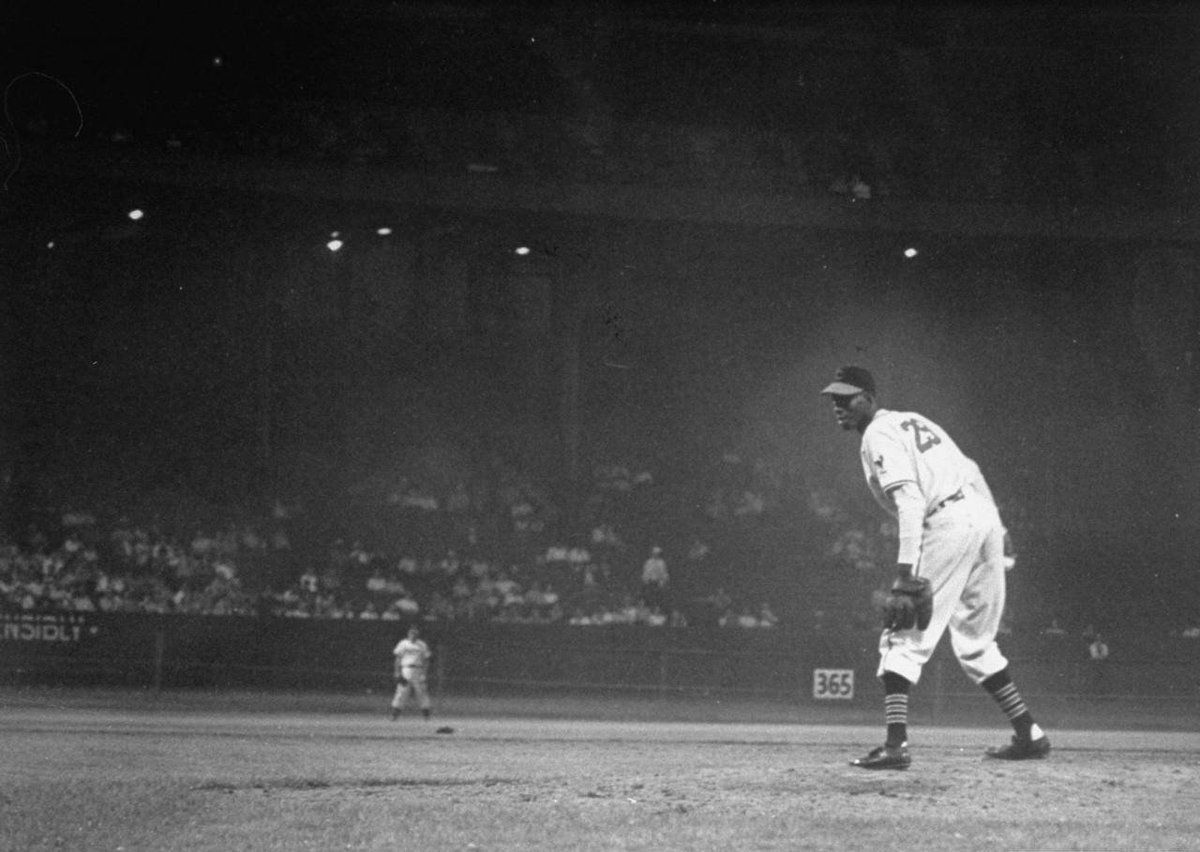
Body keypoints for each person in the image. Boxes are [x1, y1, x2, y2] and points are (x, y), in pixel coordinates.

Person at [821, 365, 1049, 769]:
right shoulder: (915, 421)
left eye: (848, 397)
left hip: (948, 522)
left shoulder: (878, 433)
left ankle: (895, 746)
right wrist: (999, 526)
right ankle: (1029, 733)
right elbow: (972, 468)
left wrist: (905, 573)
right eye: (835, 398)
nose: (839, 405)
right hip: (979, 515)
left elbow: (910, 502)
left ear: (870, 399)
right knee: (976, 641)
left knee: (901, 636)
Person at [390, 625, 433, 720]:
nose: (413, 635)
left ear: (418, 634)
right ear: (408, 634)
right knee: (401, 692)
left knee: (421, 692)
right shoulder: (403, 644)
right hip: (406, 670)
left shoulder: (422, 644)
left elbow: (426, 660)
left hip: (418, 670)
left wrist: (424, 674)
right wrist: (397, 671)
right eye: (411, 633)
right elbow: (398, 658)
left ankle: (426, 715)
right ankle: (395, 714)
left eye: (415, 633)